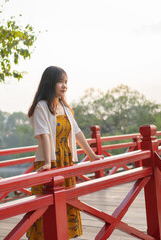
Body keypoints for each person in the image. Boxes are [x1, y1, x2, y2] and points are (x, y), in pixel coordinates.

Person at [26, 66, 103, 239]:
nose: (64, 85)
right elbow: (44, 135)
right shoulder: (41, 107)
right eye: (60, 81)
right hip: (50, 161)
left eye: (66, 82)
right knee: (45, 207)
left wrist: (92, 155)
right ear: (49, 82)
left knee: (68, 203)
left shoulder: (65, 107)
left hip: (65, 161)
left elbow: (77, 133)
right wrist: (47, 162)